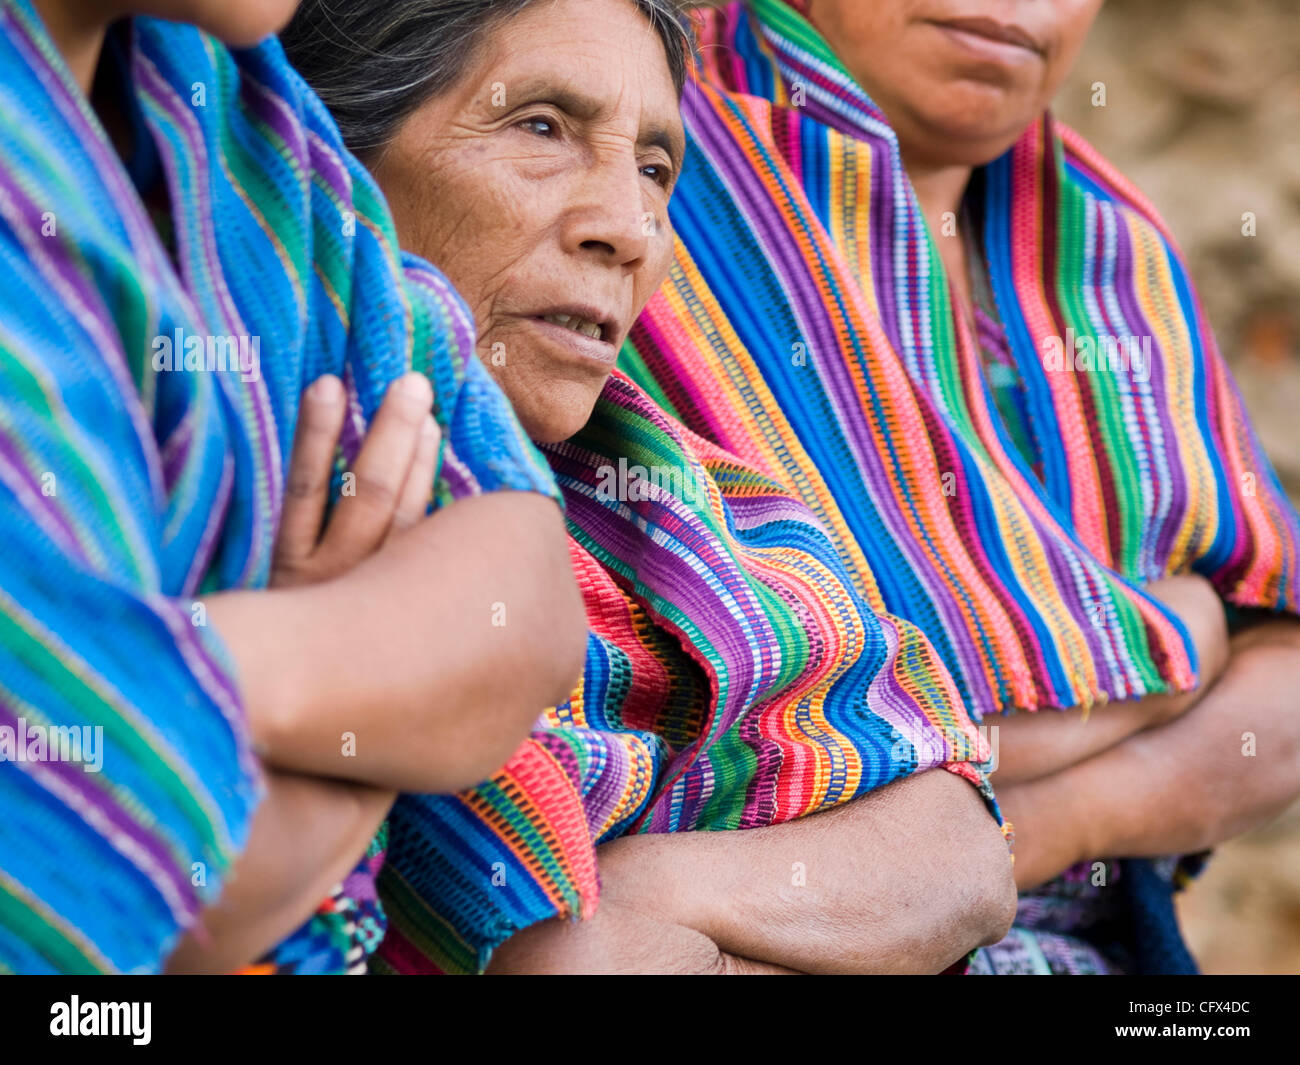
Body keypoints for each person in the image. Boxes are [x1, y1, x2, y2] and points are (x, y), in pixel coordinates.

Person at [282, 0, 1019, 975]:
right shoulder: (280, 493)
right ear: (337, 156)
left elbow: (962, 855)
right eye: (540, 126)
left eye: (655, 170)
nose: (628, 230)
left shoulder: (674, 493)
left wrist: (643, 895)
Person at [615, 0, 1300, 973]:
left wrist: (1024, 830)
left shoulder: (1097, 239)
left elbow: (1279, 690)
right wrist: (1170, 650)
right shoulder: (652, 158)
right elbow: (772, 729)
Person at [0, 0, 586, 974]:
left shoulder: (235, 118)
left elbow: (519, 606)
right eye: (539, 126)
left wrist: (168, 688)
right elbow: (94, 881)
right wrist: (371, 731)